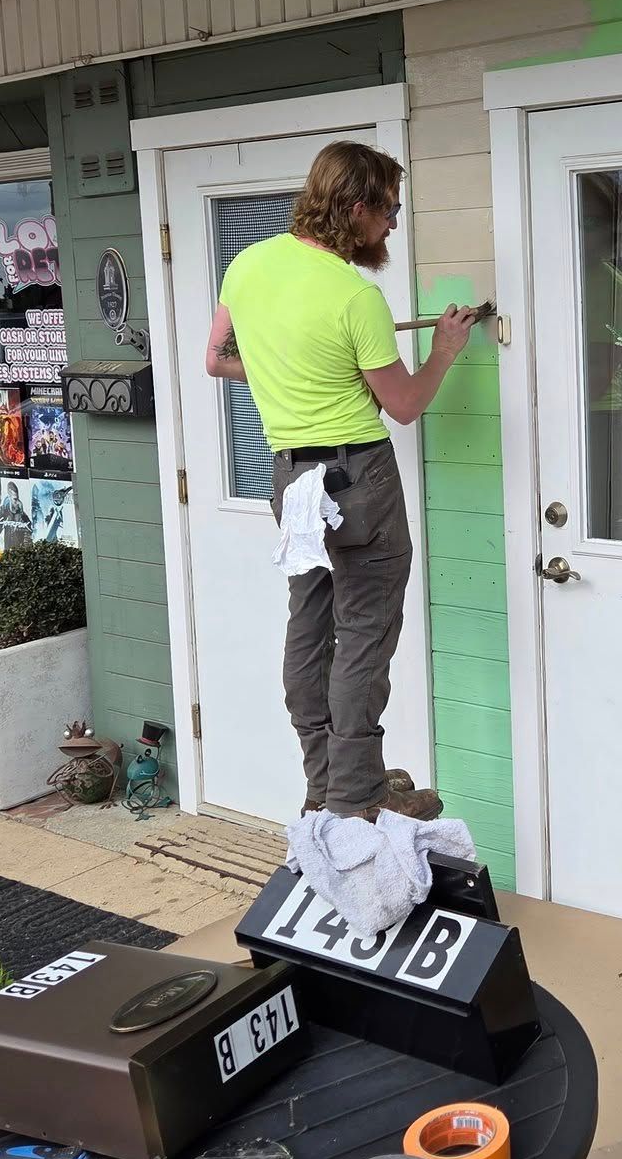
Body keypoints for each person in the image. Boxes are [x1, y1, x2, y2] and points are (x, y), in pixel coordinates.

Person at [205, 138, 481, 825]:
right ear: (354, 207)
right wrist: (445, 350)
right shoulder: (353, 296)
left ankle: (322, 779)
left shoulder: (249, 264)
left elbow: (217, 359)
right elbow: (407, 405)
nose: (392, 223)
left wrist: (282, 374)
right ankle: (357, 794)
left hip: (291, 478)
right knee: (363, 633)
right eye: (387, 209)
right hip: (356, 478)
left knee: (311, 621)